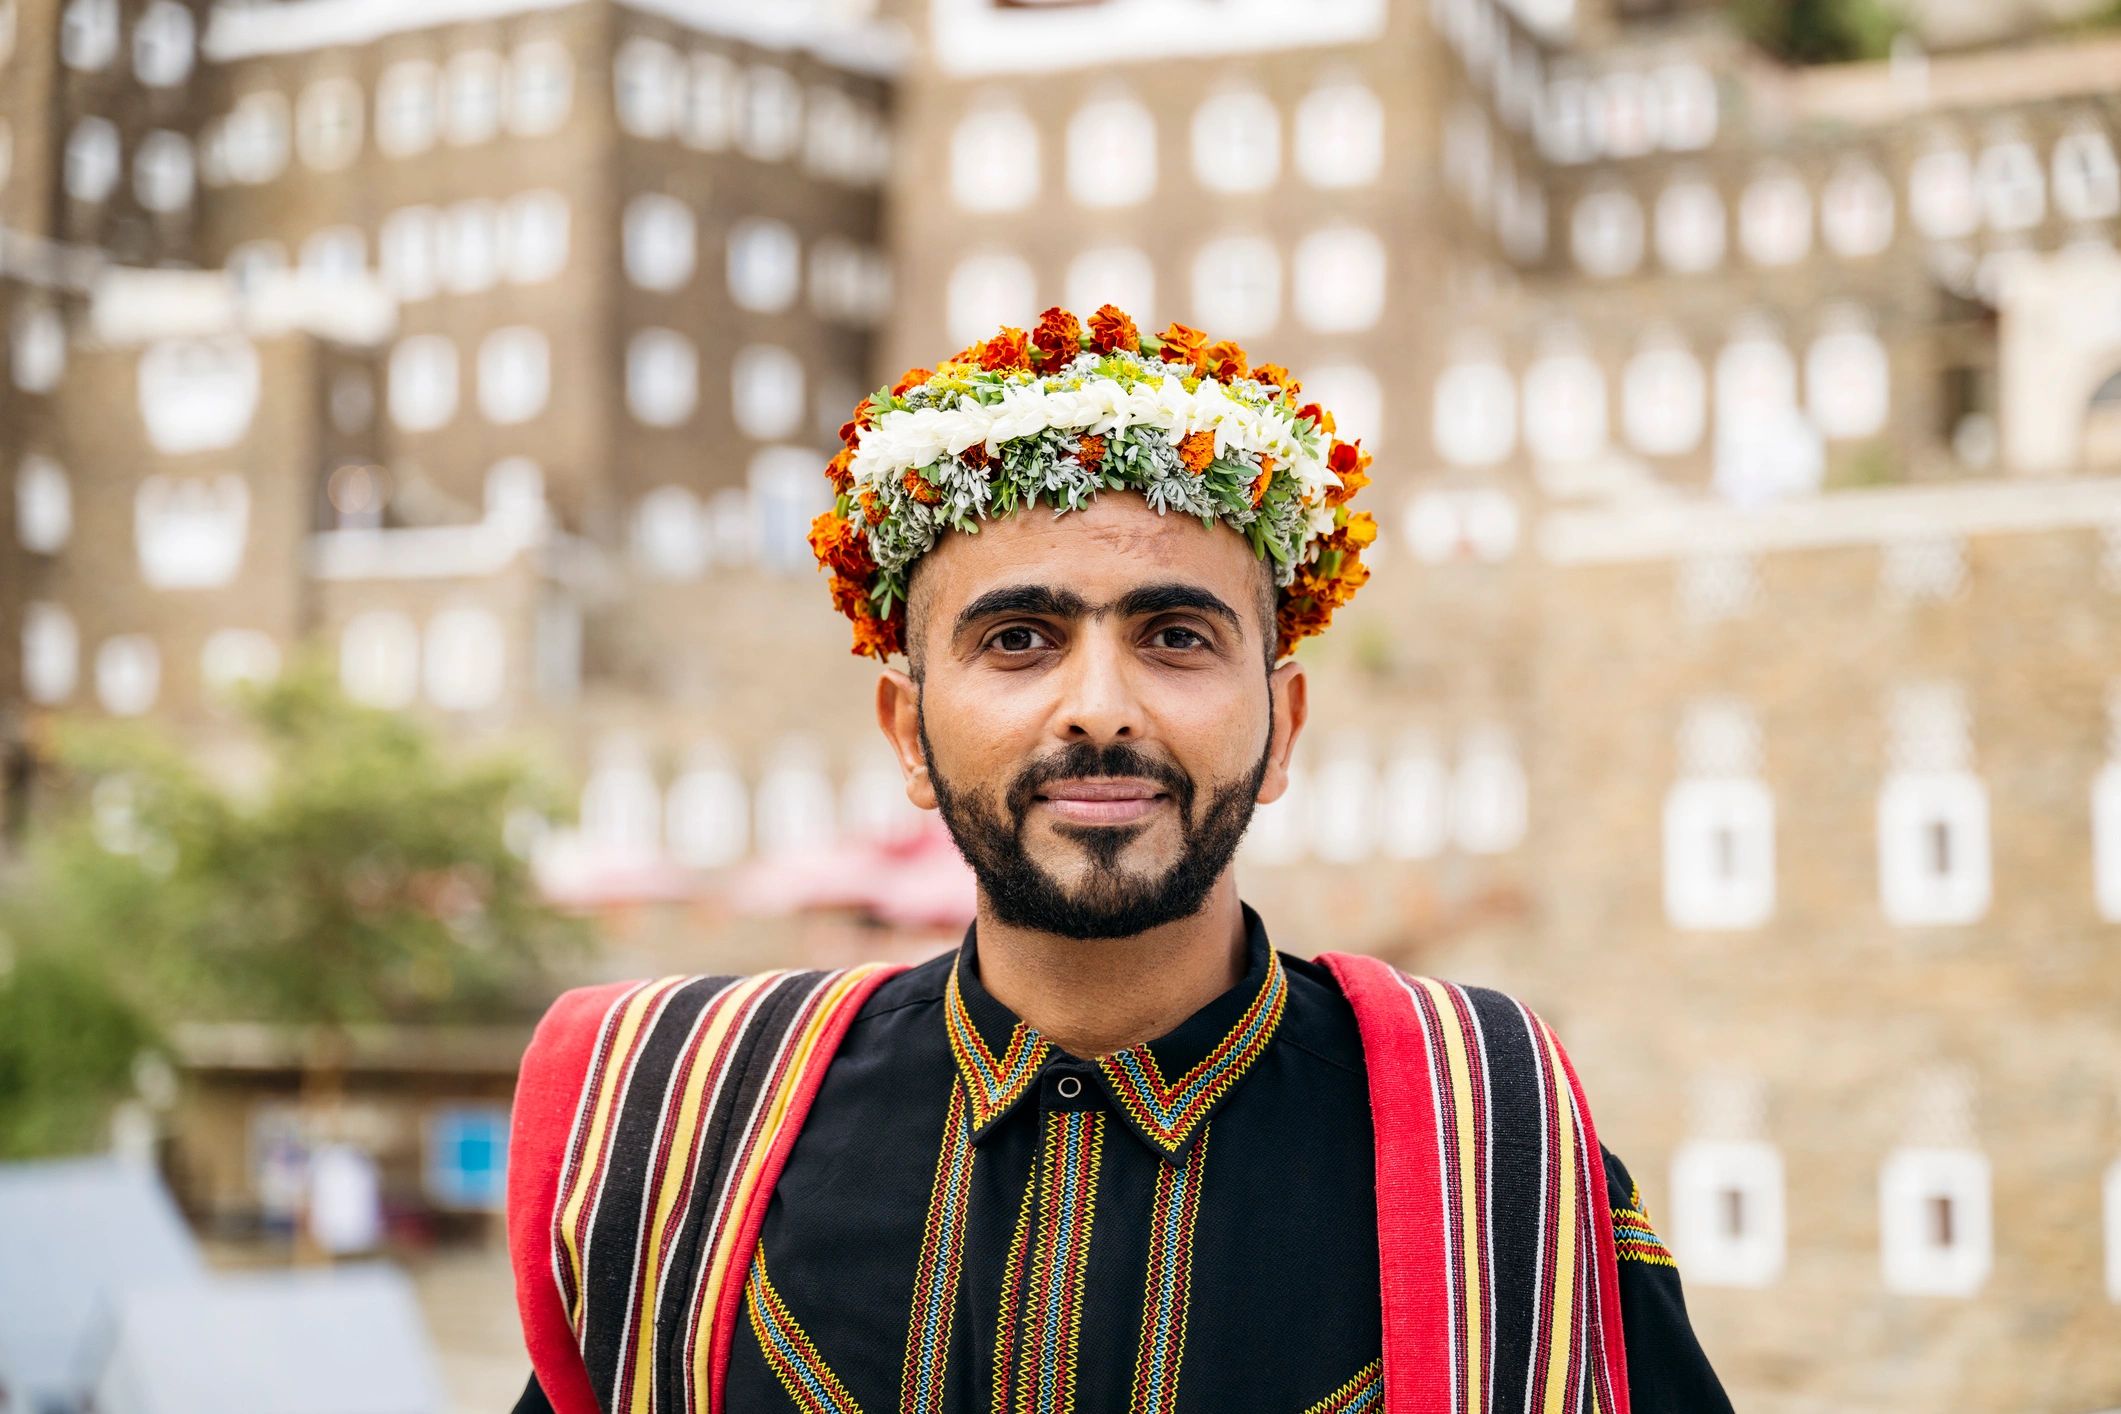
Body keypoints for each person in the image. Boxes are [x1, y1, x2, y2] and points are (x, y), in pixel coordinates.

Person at [506, 308, 1732, 1413]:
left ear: (1285, 723)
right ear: (909, 734)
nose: (1099, 707)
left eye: (1177, 635)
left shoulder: (1491, 1148)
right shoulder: (681, 1134)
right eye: (1020, 638)